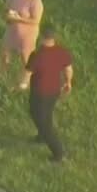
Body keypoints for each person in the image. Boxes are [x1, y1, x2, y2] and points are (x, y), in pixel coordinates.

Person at [25, 26, 74, 162]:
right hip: (54, 91)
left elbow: (27, 74)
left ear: (41, 37)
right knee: (37, 113)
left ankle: (59, 152)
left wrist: (21, 85)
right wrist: (68, 82)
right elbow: (68, 69)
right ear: (54, 38)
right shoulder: (61, 52)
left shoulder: (37, 55)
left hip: (40, 92)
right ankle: (41, 136)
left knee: (44, 121)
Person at [0, 0, 44, 91]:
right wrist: (7, 14)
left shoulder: (36, 1)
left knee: (25, 58)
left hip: (27, 34)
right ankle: (2, 73)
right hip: (12, 29)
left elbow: (36, 20)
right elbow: (6, 7)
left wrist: (19, 19)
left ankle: (26, 80)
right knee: (5, 52)